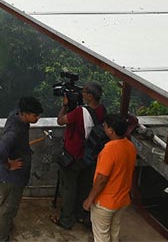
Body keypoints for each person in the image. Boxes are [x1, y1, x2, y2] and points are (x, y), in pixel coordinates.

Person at [53, 81, 106, 230]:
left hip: (73, 155)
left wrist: (64, 105)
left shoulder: (79, 112)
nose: (82, 94)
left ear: (90, 96)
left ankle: (66, 219)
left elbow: (60, 121)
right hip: (91, 156)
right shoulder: (102, 110)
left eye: (84, 92)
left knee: (69, 188)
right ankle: (81, 215)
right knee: (84, 186)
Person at [0, 96, 43, 242]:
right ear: (25, 113)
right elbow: (0, 151)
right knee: (8, 210)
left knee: (6, 204)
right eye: (35, 115)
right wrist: (9, 164)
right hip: (11, 178)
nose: (37, 118)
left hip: (8, 176)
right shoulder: (14, 131)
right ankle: (2, 238)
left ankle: (7, 226)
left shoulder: (16, 115)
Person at [82, 114, 137, 242]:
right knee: (114, 232)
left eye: (105, 126)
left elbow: (101, 179)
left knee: (101, 236)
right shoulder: (130, 146)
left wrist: (90, 199)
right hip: (122, 199)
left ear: (111, 130)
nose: (104, 128)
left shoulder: (109, 150)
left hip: (105, 202)